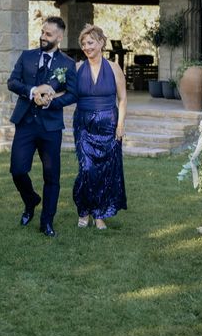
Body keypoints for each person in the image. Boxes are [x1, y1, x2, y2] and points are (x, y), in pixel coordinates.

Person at [7, 16, 78, 237]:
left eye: (48, 34)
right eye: (42, 32)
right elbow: (12, 82)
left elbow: (74, 94)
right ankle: (31, 200)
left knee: (52, 176)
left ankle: (47, 221)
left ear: (59, 36)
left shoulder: (67, 64)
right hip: (26, 122)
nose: (42, 37)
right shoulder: (27, 56)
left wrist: (51, 101)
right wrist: (32, 92)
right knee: (18, 170)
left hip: (50, 127)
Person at [73, 24, 127, 230]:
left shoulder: (114, 68)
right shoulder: (77, 68)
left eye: (91, 42)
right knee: (86, 169)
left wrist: (120, 124)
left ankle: (99, 214)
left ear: (101, 43)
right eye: (84, 44)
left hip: (109, 125)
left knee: (105, 170)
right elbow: (66, 93)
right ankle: (83, 210)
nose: (87, 47)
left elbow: (122, 99)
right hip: (84, 126)